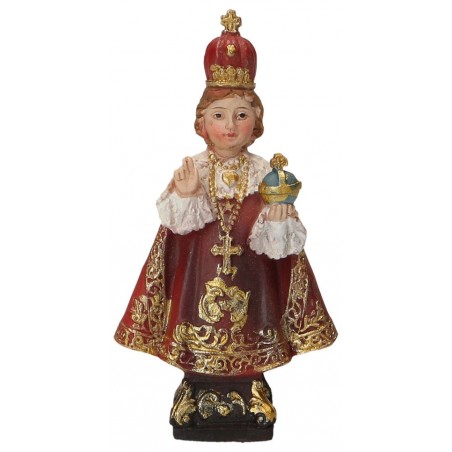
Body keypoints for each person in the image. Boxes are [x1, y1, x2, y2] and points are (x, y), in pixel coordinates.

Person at [114, 10, 337, 441]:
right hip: (197, 278)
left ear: (257, 121)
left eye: (241, 115)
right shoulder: (193, 169)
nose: (230, 126)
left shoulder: (264, 173)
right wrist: (186, 195)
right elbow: (174, 229)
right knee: (194, 321)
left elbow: (281, 246)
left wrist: (277, 217)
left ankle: (251, 381)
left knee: (255, 321)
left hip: (254, 281)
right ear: (201, 122)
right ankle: (196, 382)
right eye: (219, 115)